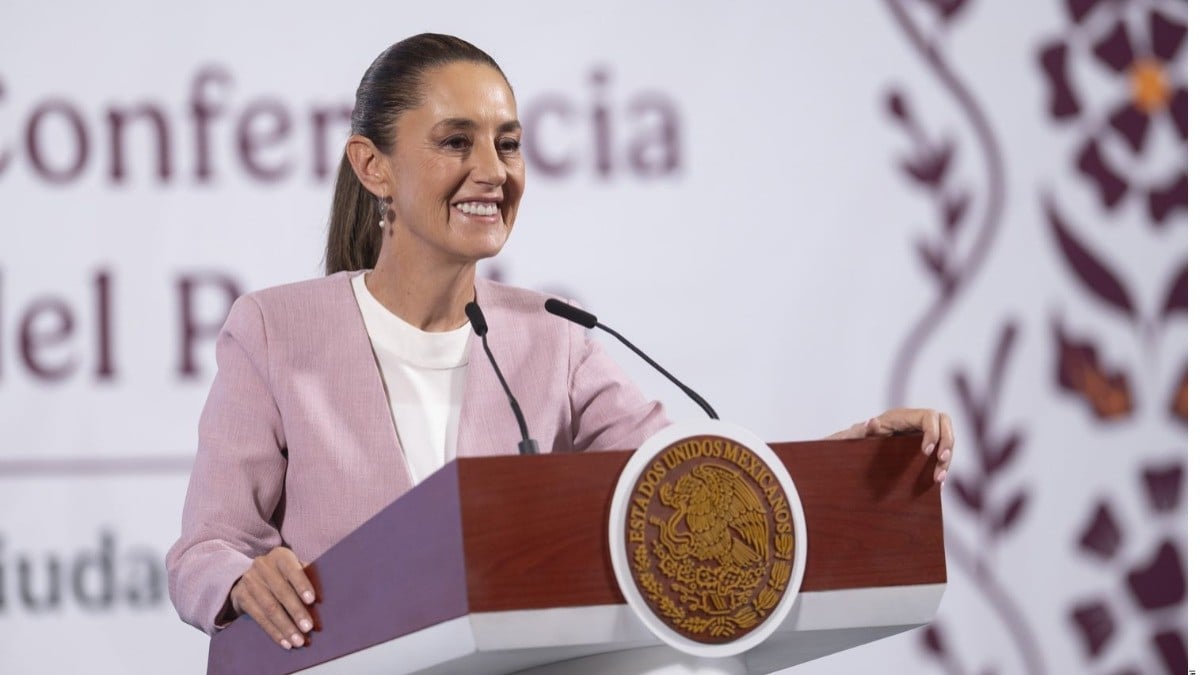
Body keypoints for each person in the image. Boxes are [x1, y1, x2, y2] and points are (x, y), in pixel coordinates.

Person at [165, 33, 955, 655]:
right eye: (455, 142)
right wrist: (242, 581)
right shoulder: (275, 329)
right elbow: (207, 546)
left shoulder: (555, 334)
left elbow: (684, 485)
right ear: (372, 166)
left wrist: (844, 466)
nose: (492, 171)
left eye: (507, 144)